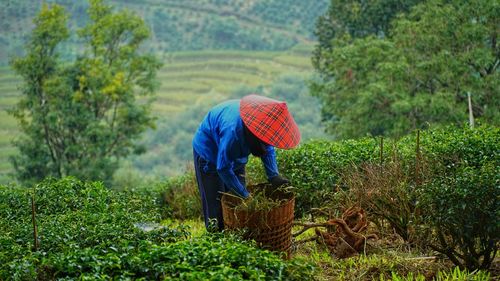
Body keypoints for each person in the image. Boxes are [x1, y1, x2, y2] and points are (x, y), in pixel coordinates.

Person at [192, 94, 301, 231]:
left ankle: (237, 237)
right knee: (216, 205)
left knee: (238, 203)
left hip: (235, 154)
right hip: (209, 153)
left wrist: (273, 175)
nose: (265, 146)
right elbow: (223, 168)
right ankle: (216, 240)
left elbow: (268, 149)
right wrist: (246, 195)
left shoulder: (262, 126)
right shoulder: (233, 133)